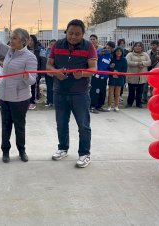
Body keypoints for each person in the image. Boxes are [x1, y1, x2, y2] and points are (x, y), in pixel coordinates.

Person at [46, 19, 97, 168]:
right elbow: (49, 64)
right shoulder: (57, 45)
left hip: (80, 93)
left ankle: (84, 154)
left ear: (83, 34)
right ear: (66, 32)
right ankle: (63, 148)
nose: (73, 37)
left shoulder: (88, 47)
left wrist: (83, 74)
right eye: (70, 33)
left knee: (83, 125)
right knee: (61, 123)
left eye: (77, 34)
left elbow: (93, 68)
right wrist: (55, 72)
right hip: (60, 91)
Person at [0, 9, 37, 163]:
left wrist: (26, 76)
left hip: (20, 98)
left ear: (23, 41)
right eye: (11, 38)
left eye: (15, 38)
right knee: (5, 125)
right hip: (4, 96)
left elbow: (32, 80)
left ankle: (22, 150)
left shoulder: (30, 57)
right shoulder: (9, 51)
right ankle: (5, 151)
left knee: (19, 126)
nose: (11, 41)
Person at [90, 41, 114, 113]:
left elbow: (109, 66)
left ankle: (99, 106)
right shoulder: (100, 51)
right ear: (106, 45)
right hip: (97, 76)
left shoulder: (110, 56)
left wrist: (111, 66)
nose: (109, 49)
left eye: (111, 48)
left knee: (102, 92)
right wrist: (99, 54)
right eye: (108, 47)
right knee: (95, 92)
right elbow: (93, 58)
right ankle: (92, 106)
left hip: (104, 77)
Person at [125, 42, 151, 108]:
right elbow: (127, 62)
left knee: (140, 92)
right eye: (136, 46)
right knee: (131, 91)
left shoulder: (145, 54)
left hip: (141, 77)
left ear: (142, 47)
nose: (137, 47)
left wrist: (142, 63)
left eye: (139, 46)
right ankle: (129, 103)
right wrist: (137, 64)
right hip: (132, 76)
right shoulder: (130, 54)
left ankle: (138, 103)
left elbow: (149, 62)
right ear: (133, 47)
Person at [108, 47, 127, 111]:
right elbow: (109, 68)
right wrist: (112, 69)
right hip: (112, 77)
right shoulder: (112, 59)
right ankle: (109, 106)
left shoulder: (124, 60)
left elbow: (125, 70)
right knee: (110, 92)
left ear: (122, 53)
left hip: (120, 78)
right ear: (115, 52)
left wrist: (118, 73)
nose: (118, 52)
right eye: (117, 51)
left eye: (120, 51)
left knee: (117, 93)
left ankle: (116, 106)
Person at [27, 35, 42, 110]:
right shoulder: (25, 50)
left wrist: (40, 72)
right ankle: (26, 101)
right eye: (29, 40)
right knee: (26, 87)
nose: (30, 42)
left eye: (32, 40)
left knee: (34, 86)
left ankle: (32, 102)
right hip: (26, 71)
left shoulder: (39, 50)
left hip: (35, 71)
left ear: (35, 41)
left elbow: (41, 61)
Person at [44, 39, 56, 107]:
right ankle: (49, 102)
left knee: (56, 88)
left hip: (56, 73)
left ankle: (55, 102)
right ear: (49, 45)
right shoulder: (46, 52)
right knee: (49, 87)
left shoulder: (59, 52)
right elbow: (44, 62)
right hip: (48, 73)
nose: (53, 46)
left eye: (54, 44)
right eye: (51, 44)